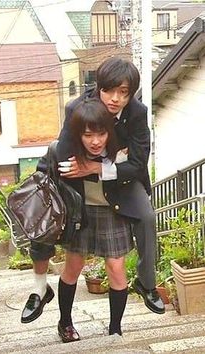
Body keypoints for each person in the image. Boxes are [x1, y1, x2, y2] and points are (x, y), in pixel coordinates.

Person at [56, 56, 165, 319]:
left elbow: (139, 165)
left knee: (147, 217)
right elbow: (62, 153)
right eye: (109, 90)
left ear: (131, 94)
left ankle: (146, 283)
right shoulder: (78, 108)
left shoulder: (137, 113)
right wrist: (89, 162)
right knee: (73, 261)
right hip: (83, 190)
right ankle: (44, 297)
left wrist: (99, 167)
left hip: (123, 182)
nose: (115, 98)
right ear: (99, 87)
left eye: (123, 93)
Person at [57, 97, 134, 342]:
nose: (95, 141)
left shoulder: (122, 147)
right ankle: (65, 323)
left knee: (116, 267)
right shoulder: (68, 152)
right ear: (79, 135)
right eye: (88, 135)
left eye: (101, 134)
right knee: (73, 266)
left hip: (113, 210)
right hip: (81, 211)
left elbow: (137, 170)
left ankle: (115, 328)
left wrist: (98, 167)